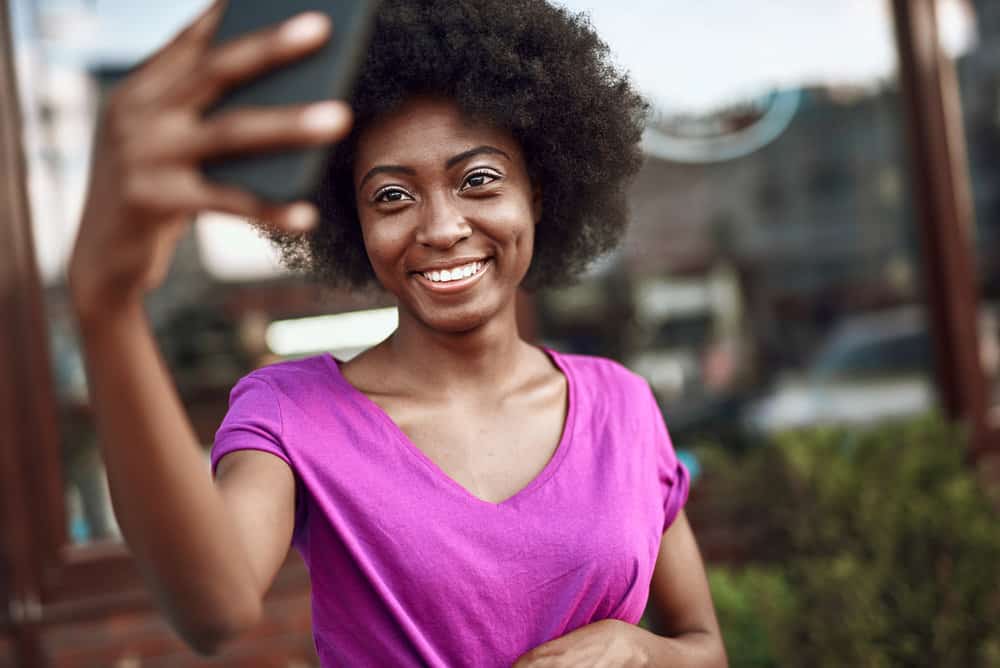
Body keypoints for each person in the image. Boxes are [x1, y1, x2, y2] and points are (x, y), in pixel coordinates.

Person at [68, 0, 727, 665]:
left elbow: (704, 649)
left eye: (478, 180)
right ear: (349, 223)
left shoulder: (623, 406)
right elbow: (212, 609)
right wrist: (109, 311)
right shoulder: (292, 416)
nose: (441, 228)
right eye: (392, 195)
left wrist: (637, 650)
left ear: (539, 192)